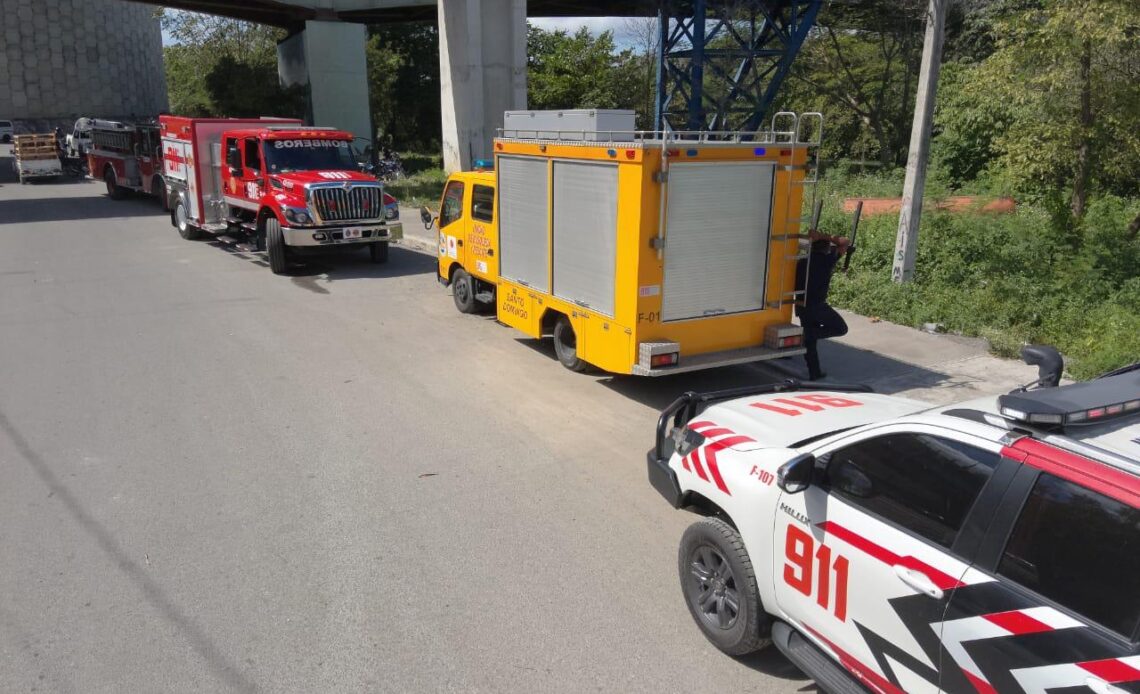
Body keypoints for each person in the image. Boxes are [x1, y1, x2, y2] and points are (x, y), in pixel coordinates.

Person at [795, 229, 851, 380]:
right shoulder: (827, 260)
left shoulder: (801, 260)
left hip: (801, 304)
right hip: (817, 306)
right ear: (826, 248)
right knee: (841, 328)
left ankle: (815, 372)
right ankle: (806, 334)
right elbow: (845, 242)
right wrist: (823, 236)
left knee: (811, 343)